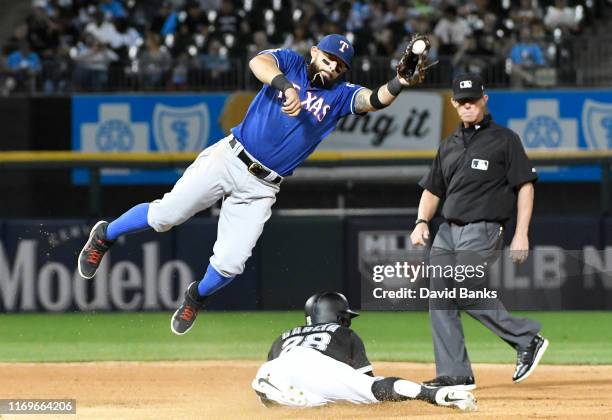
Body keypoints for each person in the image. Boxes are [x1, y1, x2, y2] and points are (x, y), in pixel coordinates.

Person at [77, 34, 429, 335]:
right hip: (230, 158)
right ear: (314, 52)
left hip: (262, 187)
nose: (333, 67)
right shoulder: (289, 64)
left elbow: (373, 100)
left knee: (231, 263)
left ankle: (195, 297)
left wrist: (399, 83)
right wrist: (284, 85)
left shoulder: (339, 96)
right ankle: (105, 235)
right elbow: (257, 63)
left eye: (340, 65)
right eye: (329, 58)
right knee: (167, 214)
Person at [410, 73, 549, 389]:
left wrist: (521, 233)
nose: (467, 104)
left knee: (464, 287)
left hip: (483, 228)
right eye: (462, 100)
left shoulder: (505, 139)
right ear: (454, 103)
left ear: (484, 100)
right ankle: (455, 373)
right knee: (440, 298)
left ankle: (526, 337)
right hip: (447, 230)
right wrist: (420, 221)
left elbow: (525, 186)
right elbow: (432, 190)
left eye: (473, 99)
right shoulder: (449, 144)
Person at [252, 291, 477, 410]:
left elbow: (274, 361)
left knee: (313, 400)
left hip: (271, 371)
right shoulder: (342, 333)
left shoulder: (283, 335)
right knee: (375, 388)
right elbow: (368, 381)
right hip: (317, 367)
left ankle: (278, 395)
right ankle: (436, 395)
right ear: (338, 316)